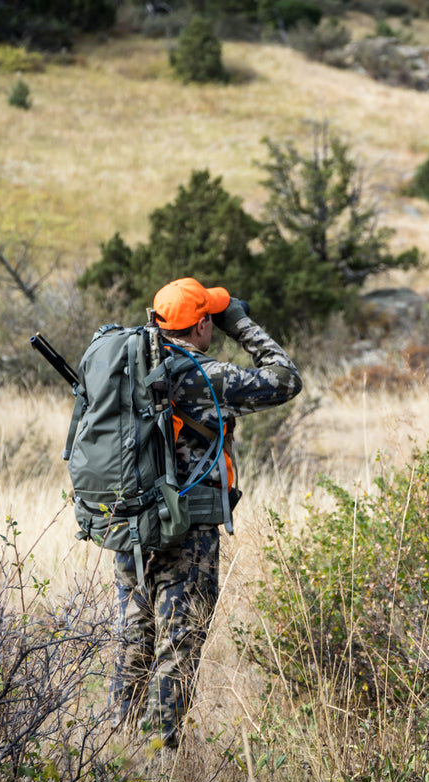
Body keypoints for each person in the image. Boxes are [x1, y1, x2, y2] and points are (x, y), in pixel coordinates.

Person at [110, 277, 303, 751]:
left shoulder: (126, 365)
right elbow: (285, 378)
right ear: (199, 326)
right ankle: (158, 759)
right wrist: (241, 324)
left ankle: (116, 753)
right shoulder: (201, 373)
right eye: (210, 320)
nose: (212, 327)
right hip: (186, 528)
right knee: (178, 645)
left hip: (129, 525)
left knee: (135, 639)